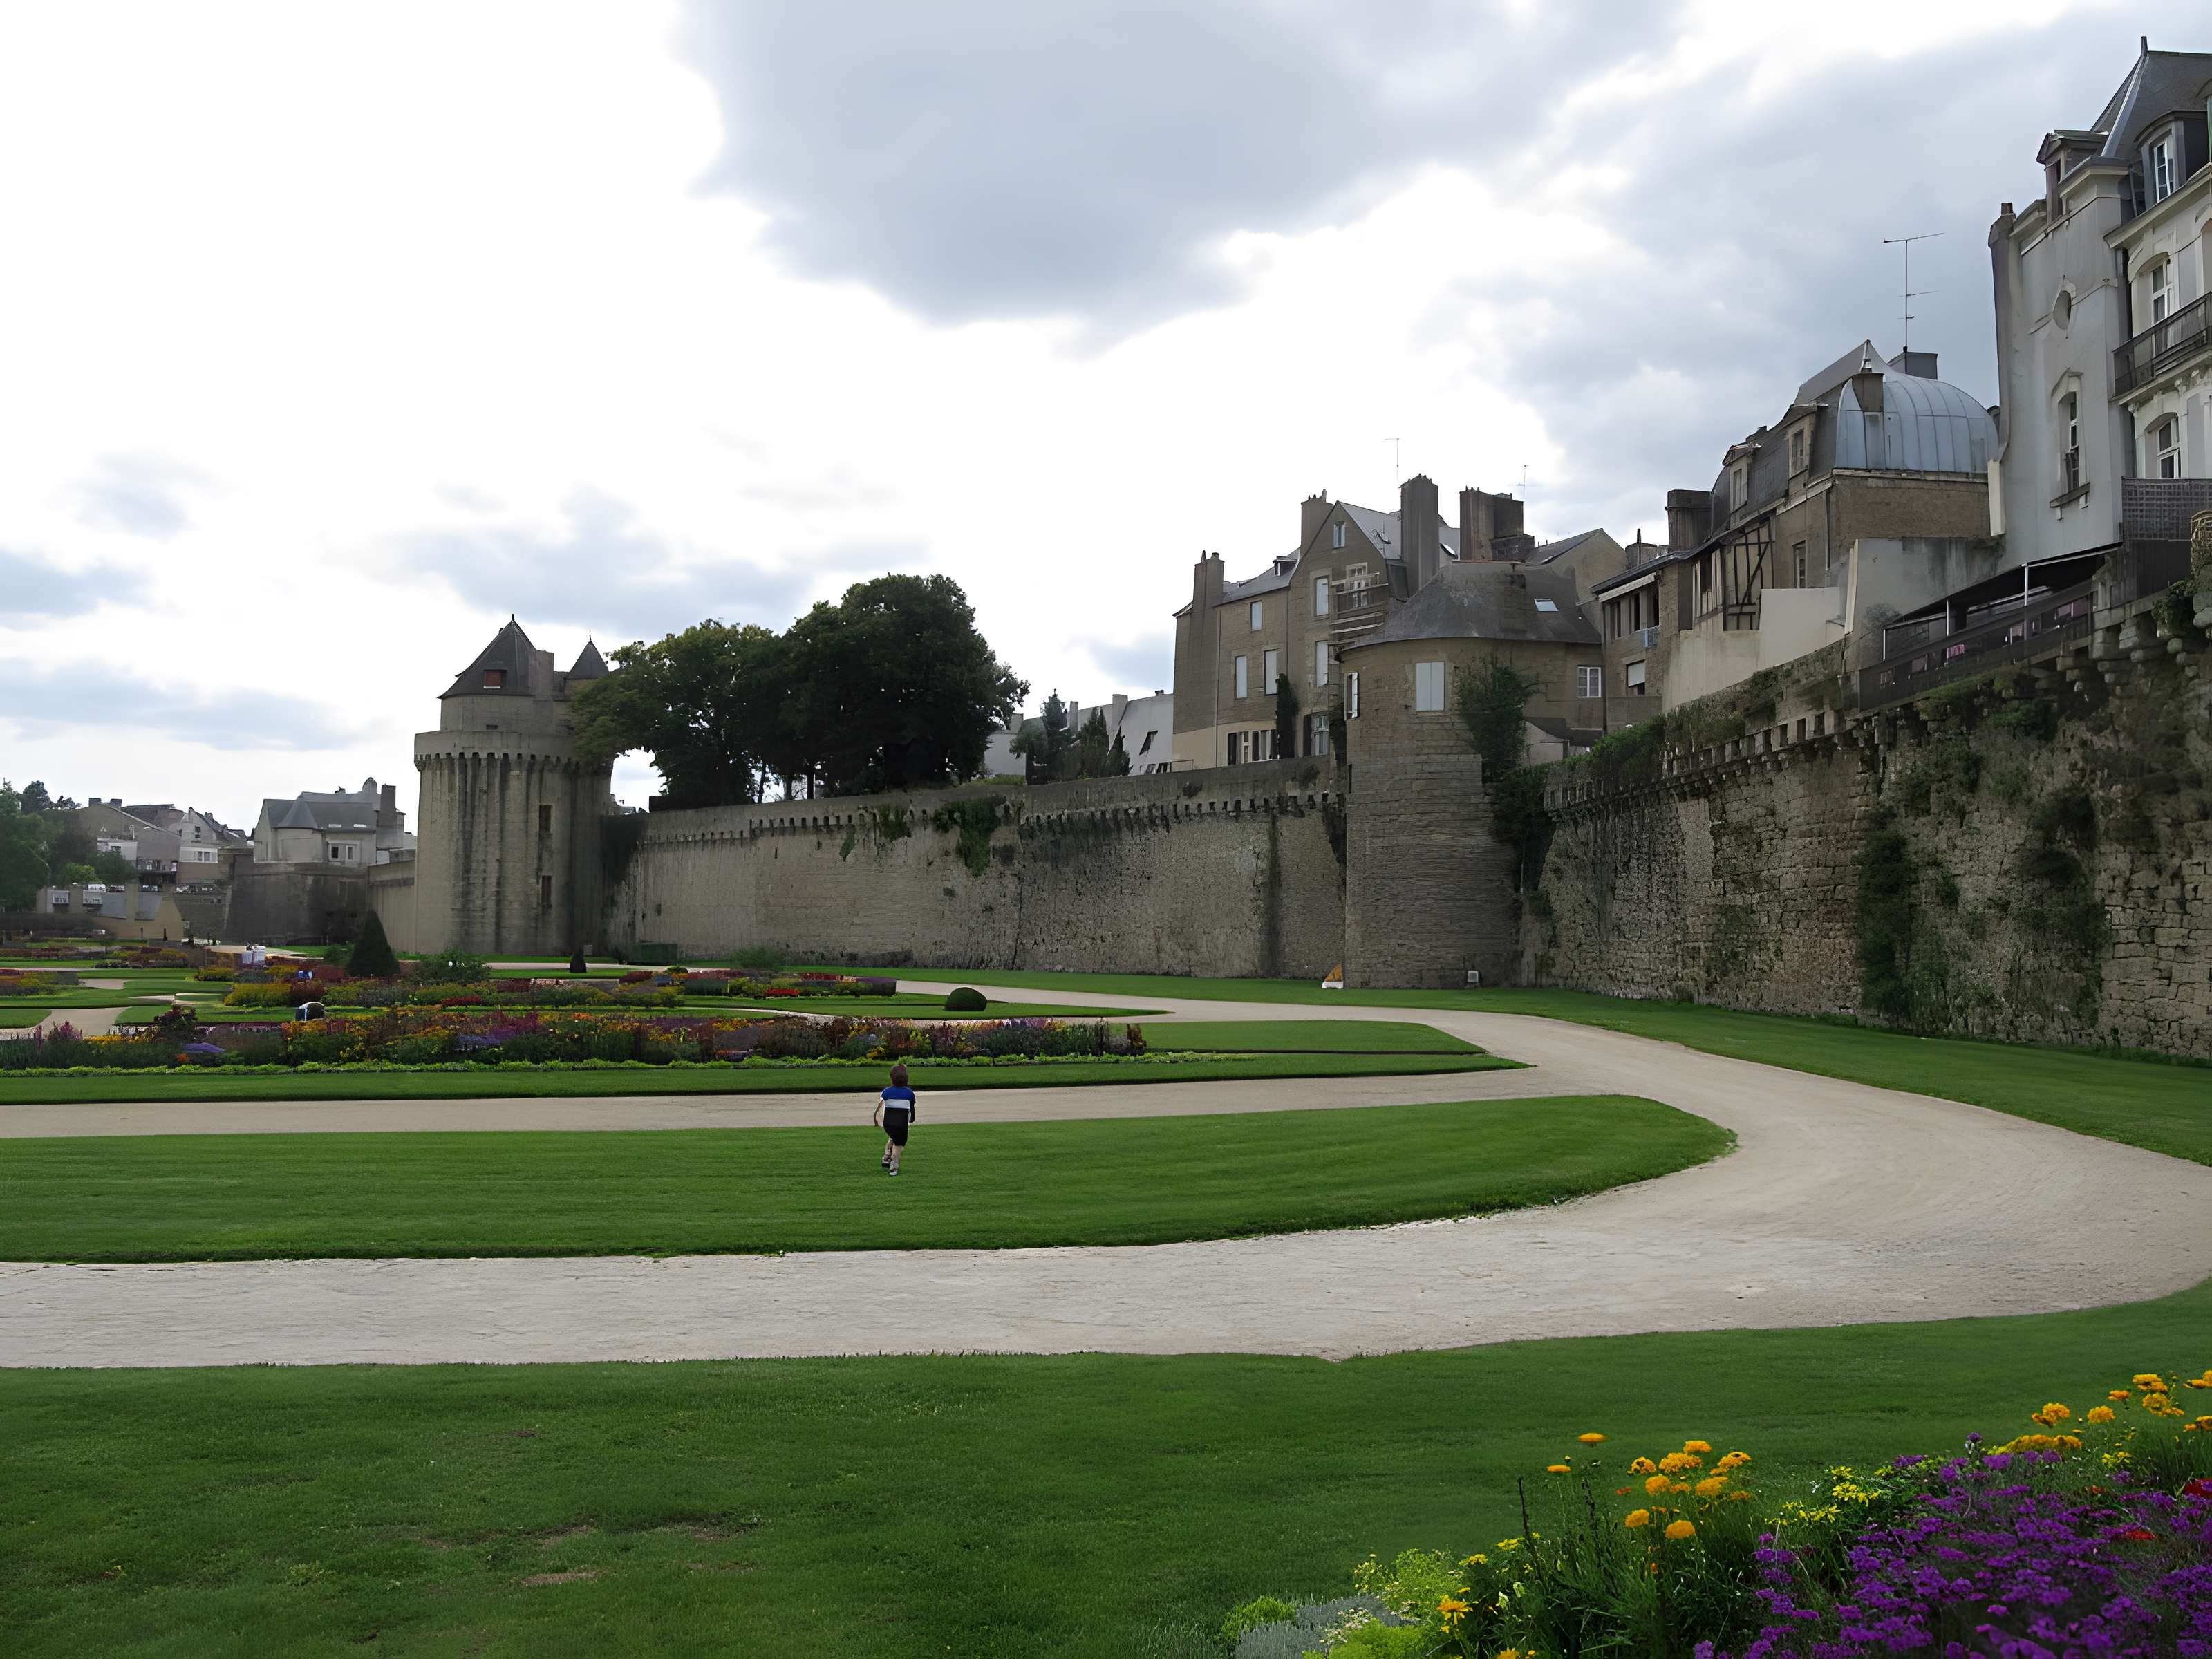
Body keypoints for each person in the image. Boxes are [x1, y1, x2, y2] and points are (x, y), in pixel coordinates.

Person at [873, 1064, 917, 1175]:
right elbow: (912, 1109)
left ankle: (887, 1156)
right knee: (899, 1144)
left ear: (892, 1078)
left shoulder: (886, 1092)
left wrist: (875, 1118)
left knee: (893, 1136)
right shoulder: (909, 1093)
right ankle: (894, 1166)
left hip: (888, 1124)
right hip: (902, 1124)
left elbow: (880, 1105)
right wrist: (912, 1119)